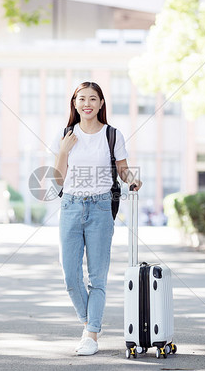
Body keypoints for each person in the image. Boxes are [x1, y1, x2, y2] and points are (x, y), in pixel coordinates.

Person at [50, 81, 142, 356]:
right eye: (82, 99)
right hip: (71, 207)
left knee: (98, 277)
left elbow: (123, 170)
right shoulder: (65, 135)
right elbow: (57, 180)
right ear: (74, 104)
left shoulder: (112, 135)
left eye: (93, 98)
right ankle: (90, 321)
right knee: (70, 275)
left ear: (101, 104)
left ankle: (91, 334)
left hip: (101, 208)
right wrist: (64, 151)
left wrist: (133, 180)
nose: (87, 103)